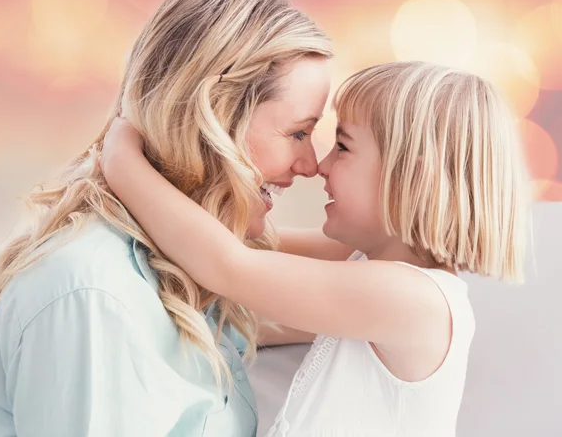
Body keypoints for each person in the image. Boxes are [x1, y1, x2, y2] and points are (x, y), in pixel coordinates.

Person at [0, 0, 336, 437]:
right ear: (213, 122)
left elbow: (355, 270)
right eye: (298, 132)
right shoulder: (93, 295)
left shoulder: (182, 272)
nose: (310, 165)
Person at [99, 61, 531, 437]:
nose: (320, 166)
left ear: (409, 176)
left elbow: (228, 265)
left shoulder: (411, 298)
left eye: (342, 147)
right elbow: (244, 241)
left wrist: (122, 160)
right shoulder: (374, 265)